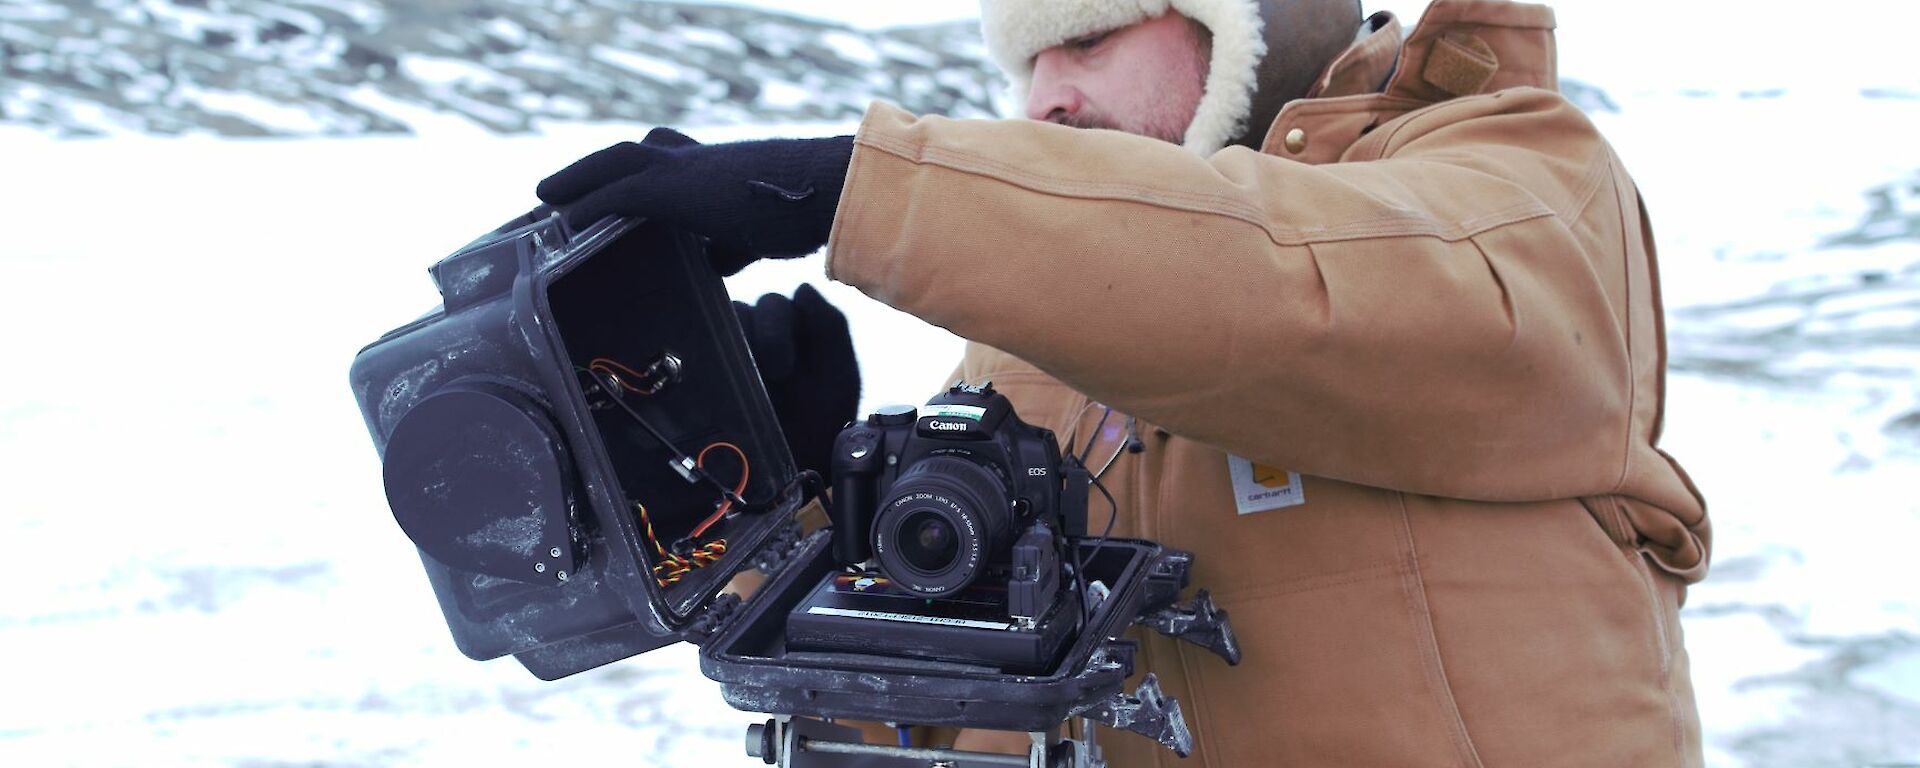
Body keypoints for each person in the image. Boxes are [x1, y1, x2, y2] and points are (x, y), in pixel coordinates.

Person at [536, 0, 1713, 764]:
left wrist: (864, 190)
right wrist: (790, 548)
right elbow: (935, 723)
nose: (1044, 95)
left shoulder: (1518, 180)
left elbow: (1301, 288)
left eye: (1089, 39)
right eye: (1028, 58)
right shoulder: (1032, 345)